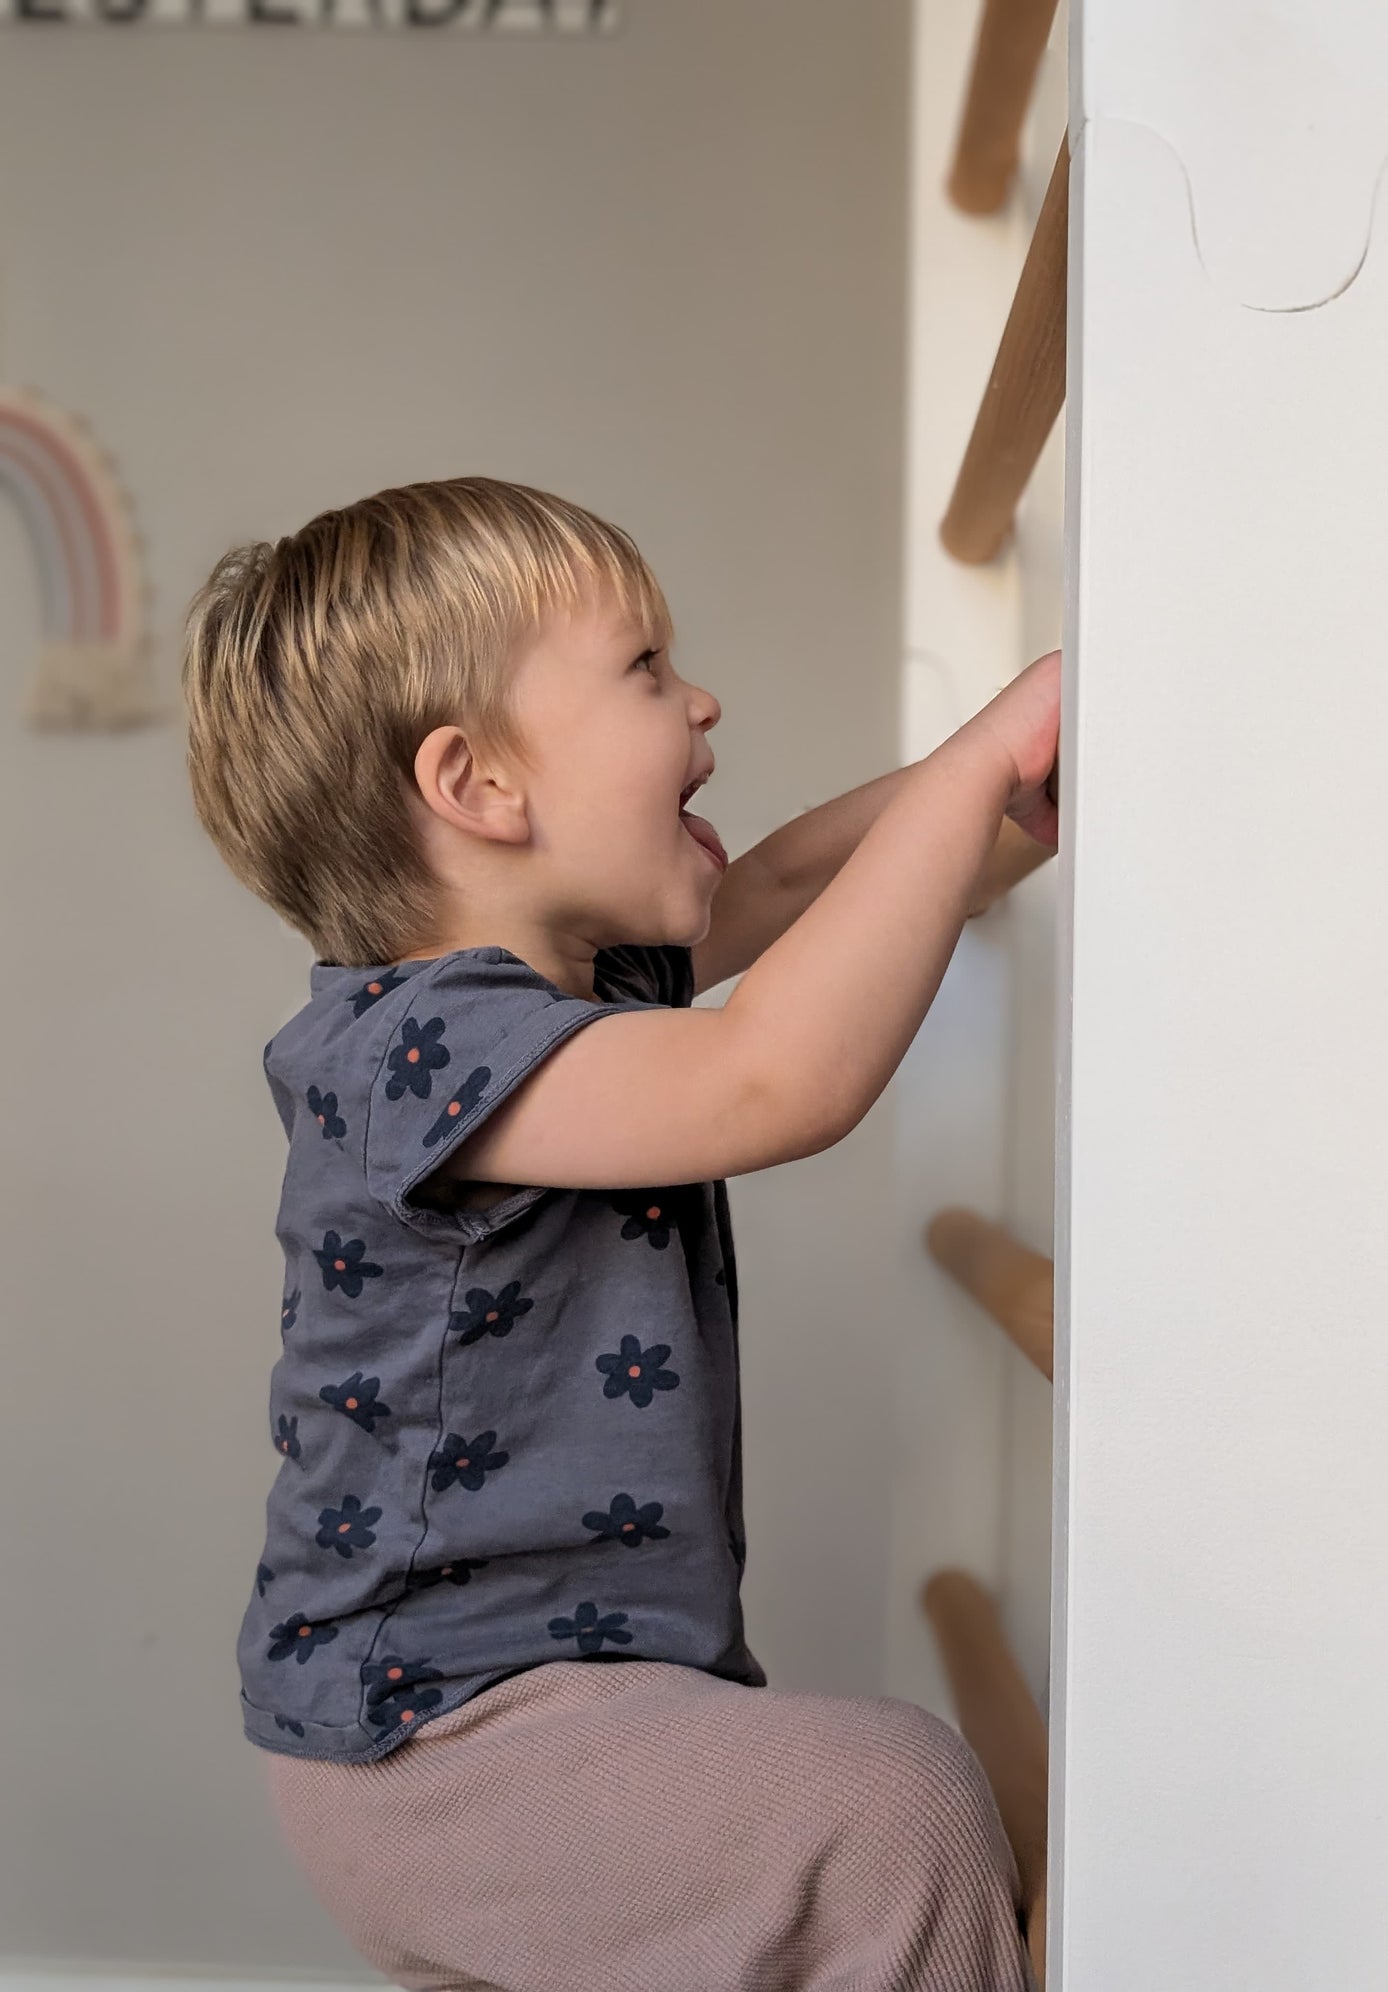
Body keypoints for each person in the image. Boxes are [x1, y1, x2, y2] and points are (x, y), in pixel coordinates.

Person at [181, 477, 1060, 1992]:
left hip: (510, 1718)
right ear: (479, 786)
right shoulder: (421, 1054)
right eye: (647, 669)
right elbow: (774, 1076)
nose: (699, 696)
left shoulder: (572, 993)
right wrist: (981, 753)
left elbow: (789, 881)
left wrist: (995, 796)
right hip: (443, 1740)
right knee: (890, 1808)